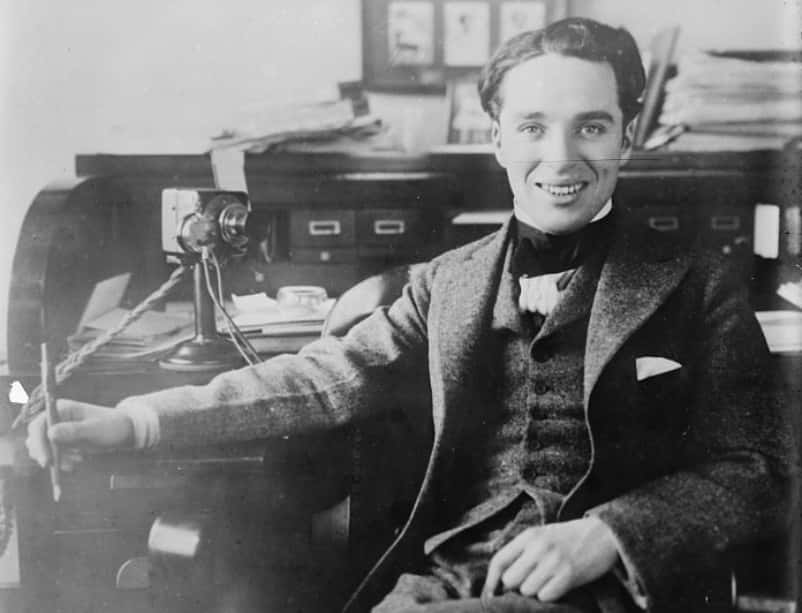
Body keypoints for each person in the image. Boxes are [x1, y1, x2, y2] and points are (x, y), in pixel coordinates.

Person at [27, 17, 796, 613]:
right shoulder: (449, 282)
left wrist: (610, 532)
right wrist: (132, 421)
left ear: (626, 135)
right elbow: (320, 378)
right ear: (496, 138)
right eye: (532, 126)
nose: (561, 156)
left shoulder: (698, 286)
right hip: (443, 575)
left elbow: (758, 470)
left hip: (605, 588)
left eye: (590, 126)